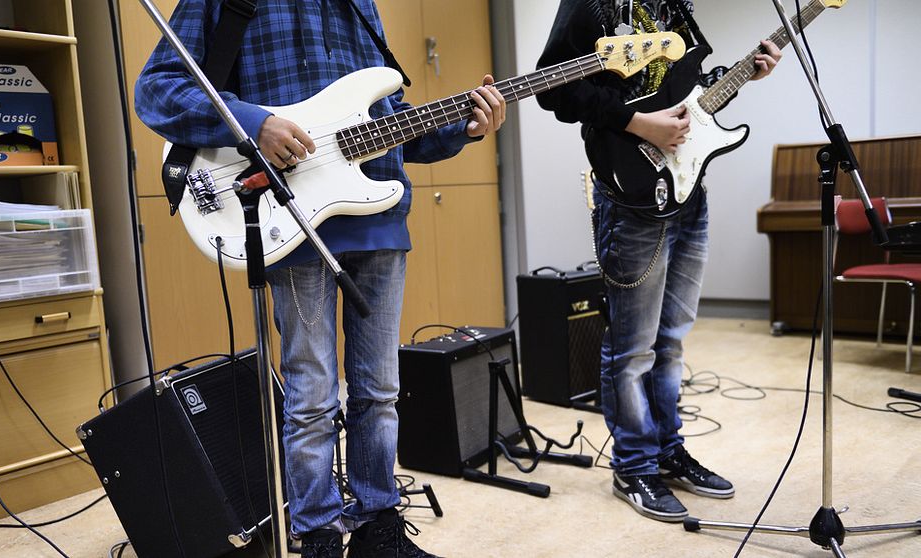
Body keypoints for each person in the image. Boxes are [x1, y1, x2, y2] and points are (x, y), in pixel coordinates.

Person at [135, 1, 505, 556]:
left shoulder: (362, 6)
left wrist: (465, 128)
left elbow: (391, 124)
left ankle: (379, 524)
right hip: (290, 216)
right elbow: (158, 88)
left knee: (379, 391)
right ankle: (318, 535)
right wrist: (254, 122)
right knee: (311, 395)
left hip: (378, 219)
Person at [536, 0, 781, 522]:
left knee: (670, 342)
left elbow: (689, 92)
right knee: (632, 349)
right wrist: (638, 123)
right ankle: (634, 466)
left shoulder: (676, 4)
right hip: (631, 195)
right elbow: (551, 86)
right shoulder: (590, 3)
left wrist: (740, 76)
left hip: (690, 191)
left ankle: (667, 451)